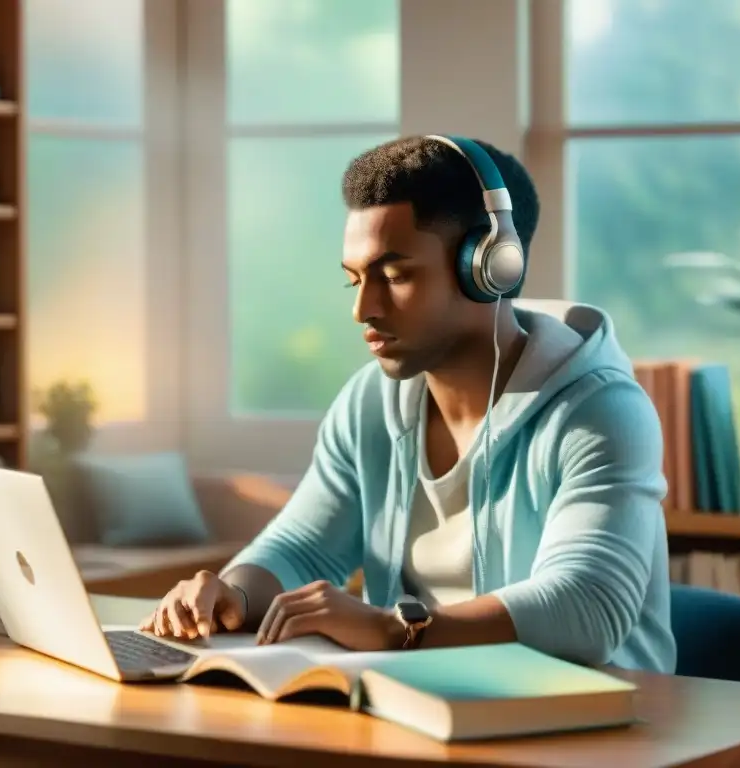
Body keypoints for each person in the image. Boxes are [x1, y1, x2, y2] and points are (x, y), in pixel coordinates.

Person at [140, 135, 677, 673]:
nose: (362, 309)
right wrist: (231, 593)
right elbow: (302, 548)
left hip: (593, 726)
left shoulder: (600, 411)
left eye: (394, 276)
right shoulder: (370, 402)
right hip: (421, 701)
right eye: (354, 279)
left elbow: (586, 609)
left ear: (490, 268)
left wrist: (391, 628)